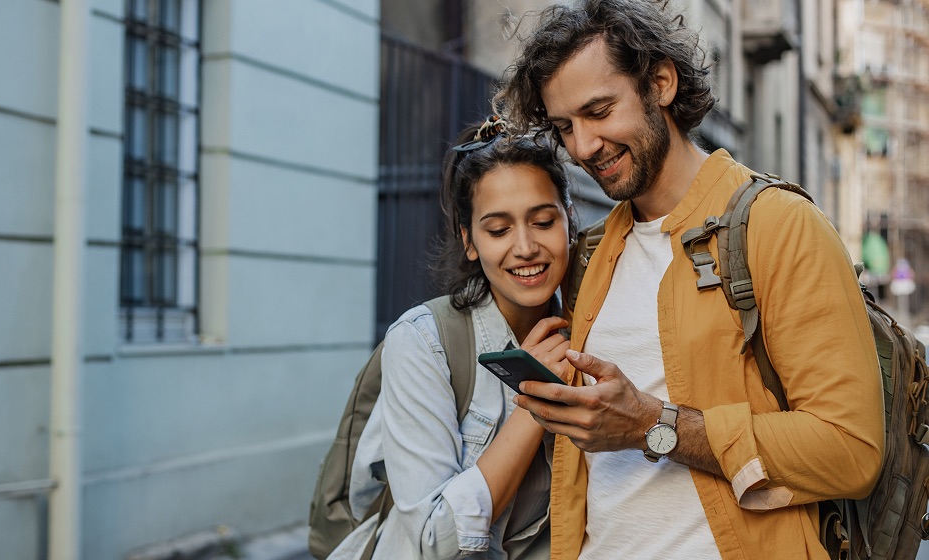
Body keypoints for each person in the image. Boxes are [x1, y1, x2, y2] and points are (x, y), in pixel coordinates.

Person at [495, 1, 885, 559]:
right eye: (565, 127)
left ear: (660, 83)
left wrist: (654, 425)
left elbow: (851, 452)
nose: (582, 147)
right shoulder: (592, 252)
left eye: (599, 111)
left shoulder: (780, 224)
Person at [330, 116, 575, 559]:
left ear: (569, 222)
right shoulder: (424, 343)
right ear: (470, 240)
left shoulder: (595, 333)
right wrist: (533, 406)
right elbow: (433, 542)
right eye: (498, 230)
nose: (525, 247)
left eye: (542, 221)